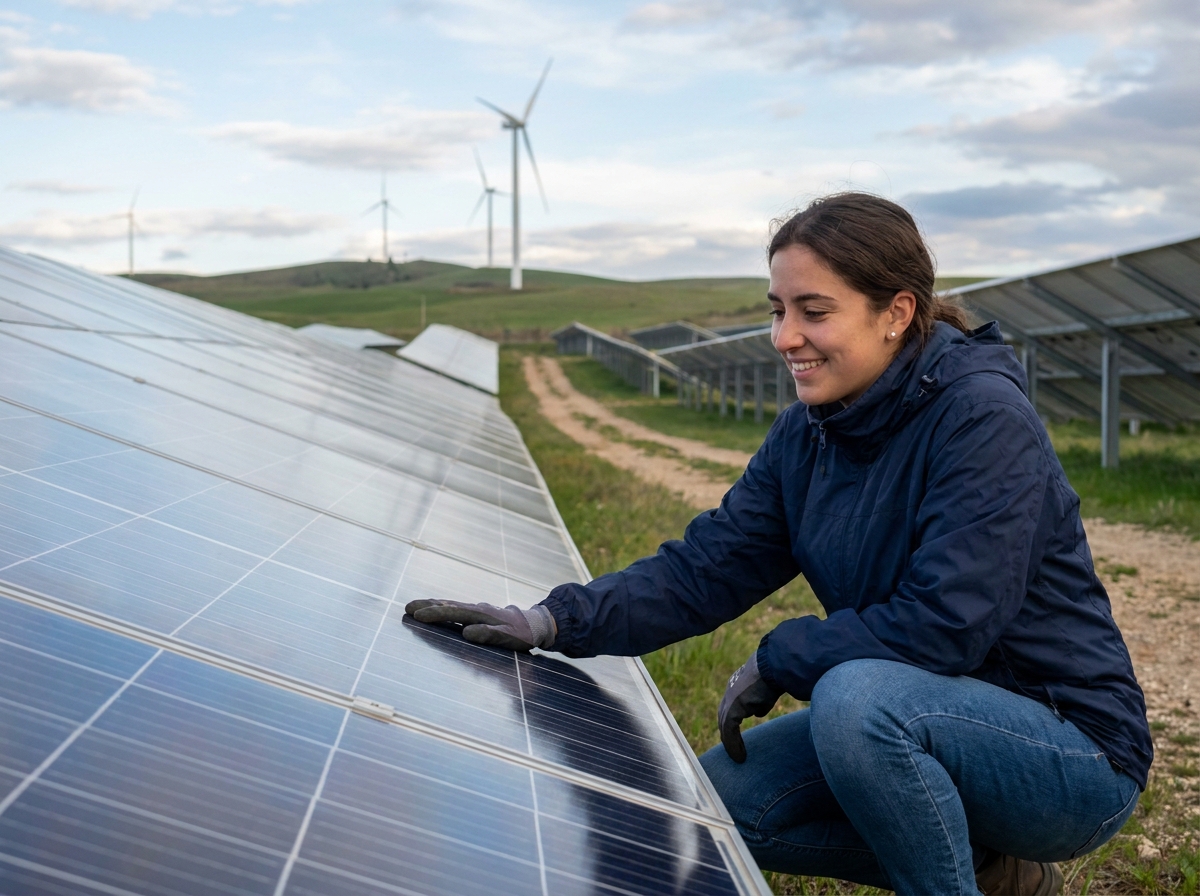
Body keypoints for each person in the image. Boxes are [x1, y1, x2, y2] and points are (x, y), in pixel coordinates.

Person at [407, 192, 1151, 896]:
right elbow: (707, 567)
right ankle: (994, 872)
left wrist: (781, 656)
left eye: (813, 312)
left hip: (1069, 751)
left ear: (896, 313)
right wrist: (553, 620)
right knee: (719, 807)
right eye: (778, 309)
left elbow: (945, 624)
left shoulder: (981, 419)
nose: (784, 337)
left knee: (857, 700)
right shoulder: (810, 433)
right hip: (927, 716)